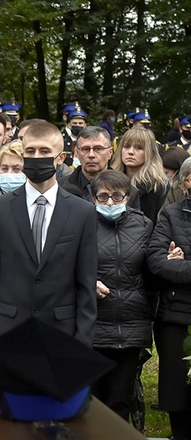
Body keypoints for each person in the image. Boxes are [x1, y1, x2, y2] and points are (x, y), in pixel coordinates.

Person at [0, 121, 97, 346]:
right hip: (7, 329)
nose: (36, 157)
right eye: (30, 151)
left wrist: (82, 343)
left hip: (61, 332)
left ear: (61, 158)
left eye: (44, 151)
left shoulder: (82, 212)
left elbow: (86, 285)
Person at [89, 170, 154, 422]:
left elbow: (153, 268)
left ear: (128, 196)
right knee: (90, 401)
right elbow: (64, 266)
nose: (110, 202)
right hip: (93, 324)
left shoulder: (144, 225)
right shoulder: (82, 224)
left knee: (119, 400)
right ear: (93, 198)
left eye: (117, 196)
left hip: (130, 325)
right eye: (103, 196)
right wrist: (86, 283)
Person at [146, 174, 191, 440]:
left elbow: (172, 264)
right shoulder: (173, 214)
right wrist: (170, 263)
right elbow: (156, 260)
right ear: (187, 182)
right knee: (178, 390)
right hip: (177, 315)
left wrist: (182, 264)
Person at [111, 127, 170, 224]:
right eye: (126, 146)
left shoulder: (158, 186)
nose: (130, 152)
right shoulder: (110, 180)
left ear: (149, 152)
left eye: (139, 148)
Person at [60, 126, 113, 201]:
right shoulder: (60, 189)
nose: (91, 155)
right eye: (85, 149)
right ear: (77, 153)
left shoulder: (126, 188)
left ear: (110, 153)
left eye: (98, 149)